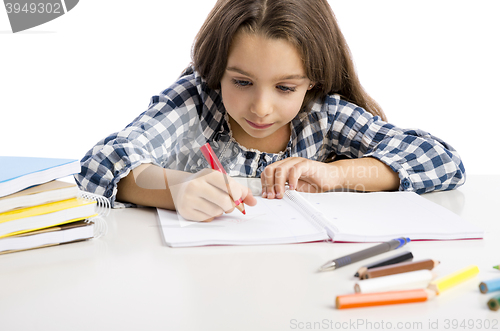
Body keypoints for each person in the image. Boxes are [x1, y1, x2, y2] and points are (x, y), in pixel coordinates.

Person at [75, 0, 465, 222]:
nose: (261, 107)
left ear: (312, 81)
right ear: (215, 71)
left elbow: (443, 160)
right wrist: (174, 189)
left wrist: (335, 174)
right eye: (241, 82)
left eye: (285, 87)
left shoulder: (321, 114)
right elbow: (101, 165)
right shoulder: (194, 101)